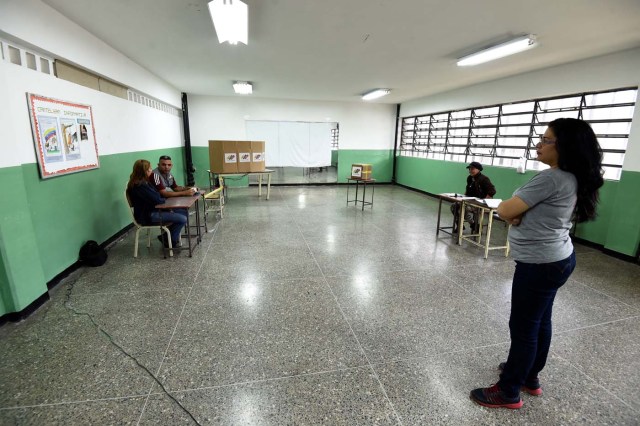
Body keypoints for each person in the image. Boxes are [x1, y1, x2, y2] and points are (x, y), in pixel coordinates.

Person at [470, 118, 604, 409]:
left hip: (539, 264)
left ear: (565, 146)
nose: (538, 144)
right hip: (559, 258)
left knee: (523, 327)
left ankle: (508, 391)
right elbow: (523, 212)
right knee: (540, 321)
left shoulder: (552, 178)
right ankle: (530, 376)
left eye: (547, 140)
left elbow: (505, 209)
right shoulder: (575, 175)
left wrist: (515, 213)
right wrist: (518, 214)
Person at [127, 159, 187, 248]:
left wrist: (161, 198)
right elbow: (158, 199)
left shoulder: (144, 182)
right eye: (149, 169)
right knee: (182, 218)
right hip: (147, 215)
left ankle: (167, 237)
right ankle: (168, 240)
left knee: (184, 212)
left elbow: (157, 196)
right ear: (143, 172)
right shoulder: (140, 185)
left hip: (153, 210)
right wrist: (162, 199)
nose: (151, 170)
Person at [451, 161, 496, 233]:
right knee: (455, 206)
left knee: (463, 208)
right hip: (469, 201)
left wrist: (484, 202)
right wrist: (461, 198)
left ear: (478, 169)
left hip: (478, 203)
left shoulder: (484, 179)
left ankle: (474, 225)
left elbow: (492, 191)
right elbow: (467, 190)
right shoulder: (470, 178)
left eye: (472, 169)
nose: (470, 171)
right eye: (469, 169)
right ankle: (463, 225)